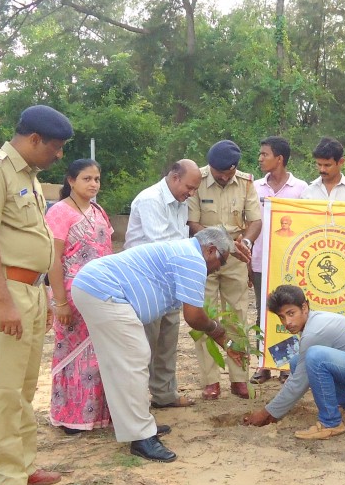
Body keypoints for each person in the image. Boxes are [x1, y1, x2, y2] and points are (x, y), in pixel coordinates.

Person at [0, 104, 73, 485]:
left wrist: (42, 294)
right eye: (57, 147)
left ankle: (24, 465)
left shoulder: (27, 175)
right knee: (2, 389)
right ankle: (4, 480)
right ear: (33, 140)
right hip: (4, 291)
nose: (59, 155)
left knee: (24, 387)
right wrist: (4, 301)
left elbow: (35, 243)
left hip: (28, 290)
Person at [72, 227, 242, 462]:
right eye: (221, 262)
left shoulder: (185, 252)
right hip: (104, 291)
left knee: (128, 362)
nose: (219, 268)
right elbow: (193, 316)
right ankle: (141, 437)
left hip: (99, 288)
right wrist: (220, 333)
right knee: (133, 360)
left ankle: (140, 424)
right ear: (211, 250)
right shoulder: (193, 259)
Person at [242, 285, 345, 439]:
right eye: (282, 317)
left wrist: (266, 413)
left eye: (291, 313)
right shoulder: (313, 322)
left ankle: (331, 423)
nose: (287, 322)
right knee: (297, 362)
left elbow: (297, 383)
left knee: (314, 357)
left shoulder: (315, 331)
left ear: (305, 307)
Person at [124, 160, 203, 409]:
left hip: (171, 281)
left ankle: (164, 394)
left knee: (167, 342)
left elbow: (180, 239)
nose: (191, 193)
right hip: (145, 282)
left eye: (194, 190)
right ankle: (136, 402)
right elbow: (161, 244)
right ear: (174, 177)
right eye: (189, 187)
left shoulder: (181, 203)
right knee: (144, 344)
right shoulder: (151, 199)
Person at [45, 158, 114, 435]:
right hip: (71, 296)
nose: (93, 184)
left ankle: (97, 414)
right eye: (87, 178)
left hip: (100, 294)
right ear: (71, 180)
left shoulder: (99, 211)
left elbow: (106, 253)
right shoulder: (59, 212)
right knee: (74, 355)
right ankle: (70, 416)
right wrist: (59, 301)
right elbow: (53, 260)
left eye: (96, 179)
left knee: (100, 354)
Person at [188, 140, 262, 401]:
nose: (220, 176)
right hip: (204, 257)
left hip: (236, 259)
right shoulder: (197, 178)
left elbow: (255, 220)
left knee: (236, 317)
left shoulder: (246, 183)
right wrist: (220, 243)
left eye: (225, 172)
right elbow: (193, 221)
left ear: (234, 169)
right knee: (204, 316)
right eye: (216, 171)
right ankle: (210, 382)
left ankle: (239, 378)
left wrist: (247, 242)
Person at [252, 136, 308, 384]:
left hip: (290, 262)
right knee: (262, 312)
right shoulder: (254, 188)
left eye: (265, 154)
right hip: (260, 260)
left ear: (280, 159)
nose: (260, 158)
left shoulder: (301, 189)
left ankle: (287, 365)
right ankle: (263, 363)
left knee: (290, 312)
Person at [302, 138, 345, 202]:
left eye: (327, 165)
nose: (322, 170)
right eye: (319, 164)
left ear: (341, 162)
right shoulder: (308, 193)